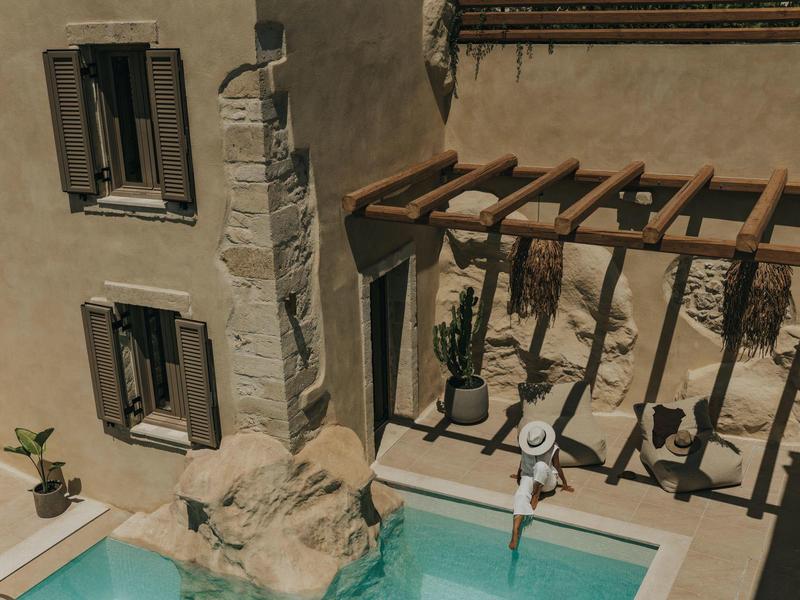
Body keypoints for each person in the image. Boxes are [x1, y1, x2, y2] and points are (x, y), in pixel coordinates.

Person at [508, 421, 574, 550]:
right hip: (529, 476)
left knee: (541, 466)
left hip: (548, 481)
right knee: (520, 495)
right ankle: (515, 530)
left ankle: (536, 495)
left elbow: (557, 465)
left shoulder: (553, 448)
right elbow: (522, 461)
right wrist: (518, 474)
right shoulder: (525, 445)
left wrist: (564, 484)